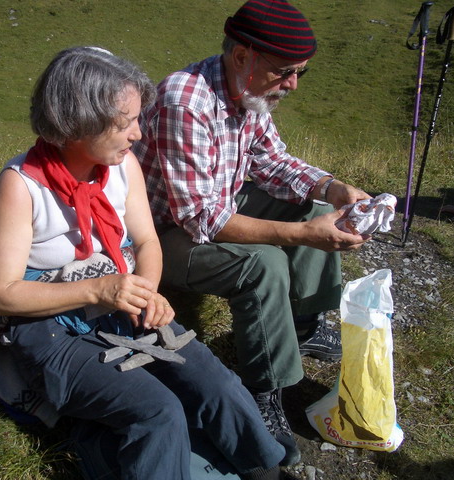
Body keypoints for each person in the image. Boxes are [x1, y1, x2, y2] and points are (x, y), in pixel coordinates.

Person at [0, 46, 288, 480]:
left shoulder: (123, 166)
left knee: (216, 383)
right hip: (49, 327)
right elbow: (3, 295)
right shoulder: (21, 186)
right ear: (78, 122)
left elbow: (146, 240)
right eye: (125, 122)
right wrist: (99, 289)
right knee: (157, 411)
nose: (138, 134)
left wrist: (149, 292)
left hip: (121, 304)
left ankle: (265, 468)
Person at [133, 0, 371, 463]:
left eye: (300, 71)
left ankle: (303, 324)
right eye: (285, 71)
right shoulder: (186, 101)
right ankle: (266, 391)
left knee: (313, 207)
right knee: (262, 262)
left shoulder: (249, 91)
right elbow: (202, 218)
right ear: (243, 56)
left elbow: (272, 160)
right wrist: (300, 236)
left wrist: (333, 187)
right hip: (164, 233)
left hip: (216, 203)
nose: (293, 84)